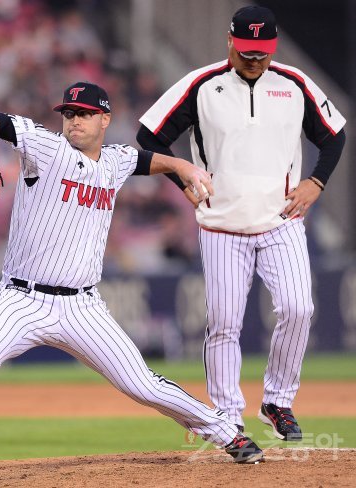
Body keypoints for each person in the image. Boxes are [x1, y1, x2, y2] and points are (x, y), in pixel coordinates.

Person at [0, 81, 264, 480]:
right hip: (22, 299)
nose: (74, 120)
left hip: (82, 307)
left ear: (105, 119)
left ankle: (227, 433)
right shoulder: (47, 148)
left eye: (85, 113)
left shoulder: (116, 161)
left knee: (142, 385)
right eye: (69, 113)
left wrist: (182, 166)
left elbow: (143, 160)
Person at [136, 6, 346, 441]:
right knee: (224, 322)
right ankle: (228, 417)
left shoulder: (294, 83)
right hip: (220, 224)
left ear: (274, 47)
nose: (254, 59)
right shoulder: (201, 84)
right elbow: (149, 136)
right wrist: (182, 178)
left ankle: (278, 401)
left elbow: (334, 135)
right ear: (229, 41)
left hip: (281, 219)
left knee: (298, 308)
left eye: (262, 52)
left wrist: (317, 182)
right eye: (247, 50)